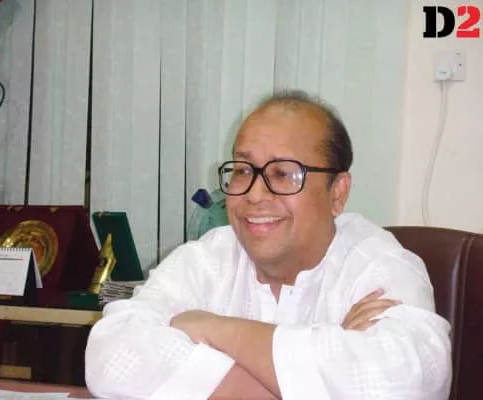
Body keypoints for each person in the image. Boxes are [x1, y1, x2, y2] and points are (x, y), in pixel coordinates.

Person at [85, 90, 452, 399]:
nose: (255, 194)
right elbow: (111, 354)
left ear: (338, 192)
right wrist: (315, 375)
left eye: (283, 173)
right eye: (243, 170)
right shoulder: (209, 258)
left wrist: (213, 328)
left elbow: (409, 381)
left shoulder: (379, 264)